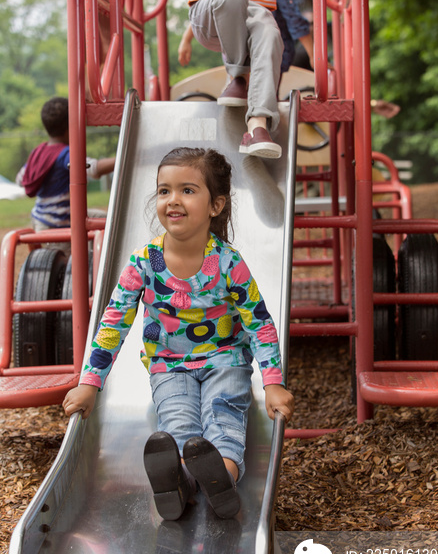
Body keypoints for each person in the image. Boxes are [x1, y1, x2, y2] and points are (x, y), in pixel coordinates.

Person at [63, 147, 294, 521]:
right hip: (168, 365)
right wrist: (90, 383)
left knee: (223, 418)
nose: (173, 200)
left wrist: (273, 382)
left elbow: (259, 322)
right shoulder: (144, 262)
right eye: (164, 190)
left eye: (187, 190)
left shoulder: (226, 262)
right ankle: (183, 484)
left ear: (216, 205)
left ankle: (224, 481)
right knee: (178, 425)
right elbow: (113, 322)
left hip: (225, 360)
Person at [186, 0, 284, 159]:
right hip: (209, 14)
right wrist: (186, 39)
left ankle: (257, 126)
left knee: (269, 32)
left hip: (253, 10)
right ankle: (238, 75)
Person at [17, 97, 114, 239]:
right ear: (71, 126)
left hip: (40, 219)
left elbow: (20, 179)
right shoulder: (65, 154)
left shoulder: (39, 151)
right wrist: (124, 157)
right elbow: (95, 169)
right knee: (104, 228)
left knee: (105, 218)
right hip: (59, 223)